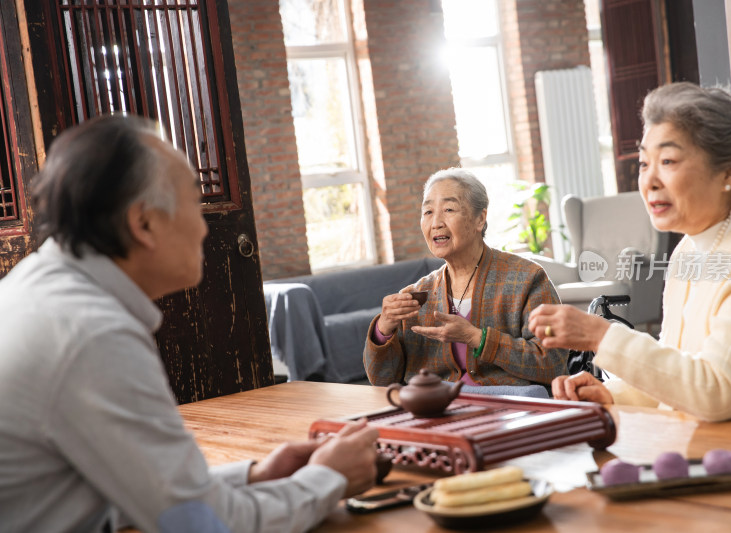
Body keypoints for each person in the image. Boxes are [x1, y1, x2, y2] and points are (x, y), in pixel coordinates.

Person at [0, 115, 379, 533]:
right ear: (143, 223)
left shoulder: (36, 290)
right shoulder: (91, 334)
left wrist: (252, 475)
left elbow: (110, 496)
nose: (203, 225)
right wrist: (330, 478)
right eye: (193, 202)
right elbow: (201, 524)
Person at [528, 82, 731, 422]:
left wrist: (600, 335)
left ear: (729, 171)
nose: (649, 181)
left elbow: (716, 392)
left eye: (668, 160)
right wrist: (612, 395)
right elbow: (678, 368)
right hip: (709, 456)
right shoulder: (689, 249)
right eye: (644, 163)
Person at [364, 168, 568, 390]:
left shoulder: (527, 279)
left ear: (480, 219)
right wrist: (383, 329)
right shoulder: (417, 295)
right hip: (438, 412)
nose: (436, 223)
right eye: (428, 212)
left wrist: (478, 339)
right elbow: (381, 381)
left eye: (449, 209)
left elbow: (552, 363)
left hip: (510, 412)